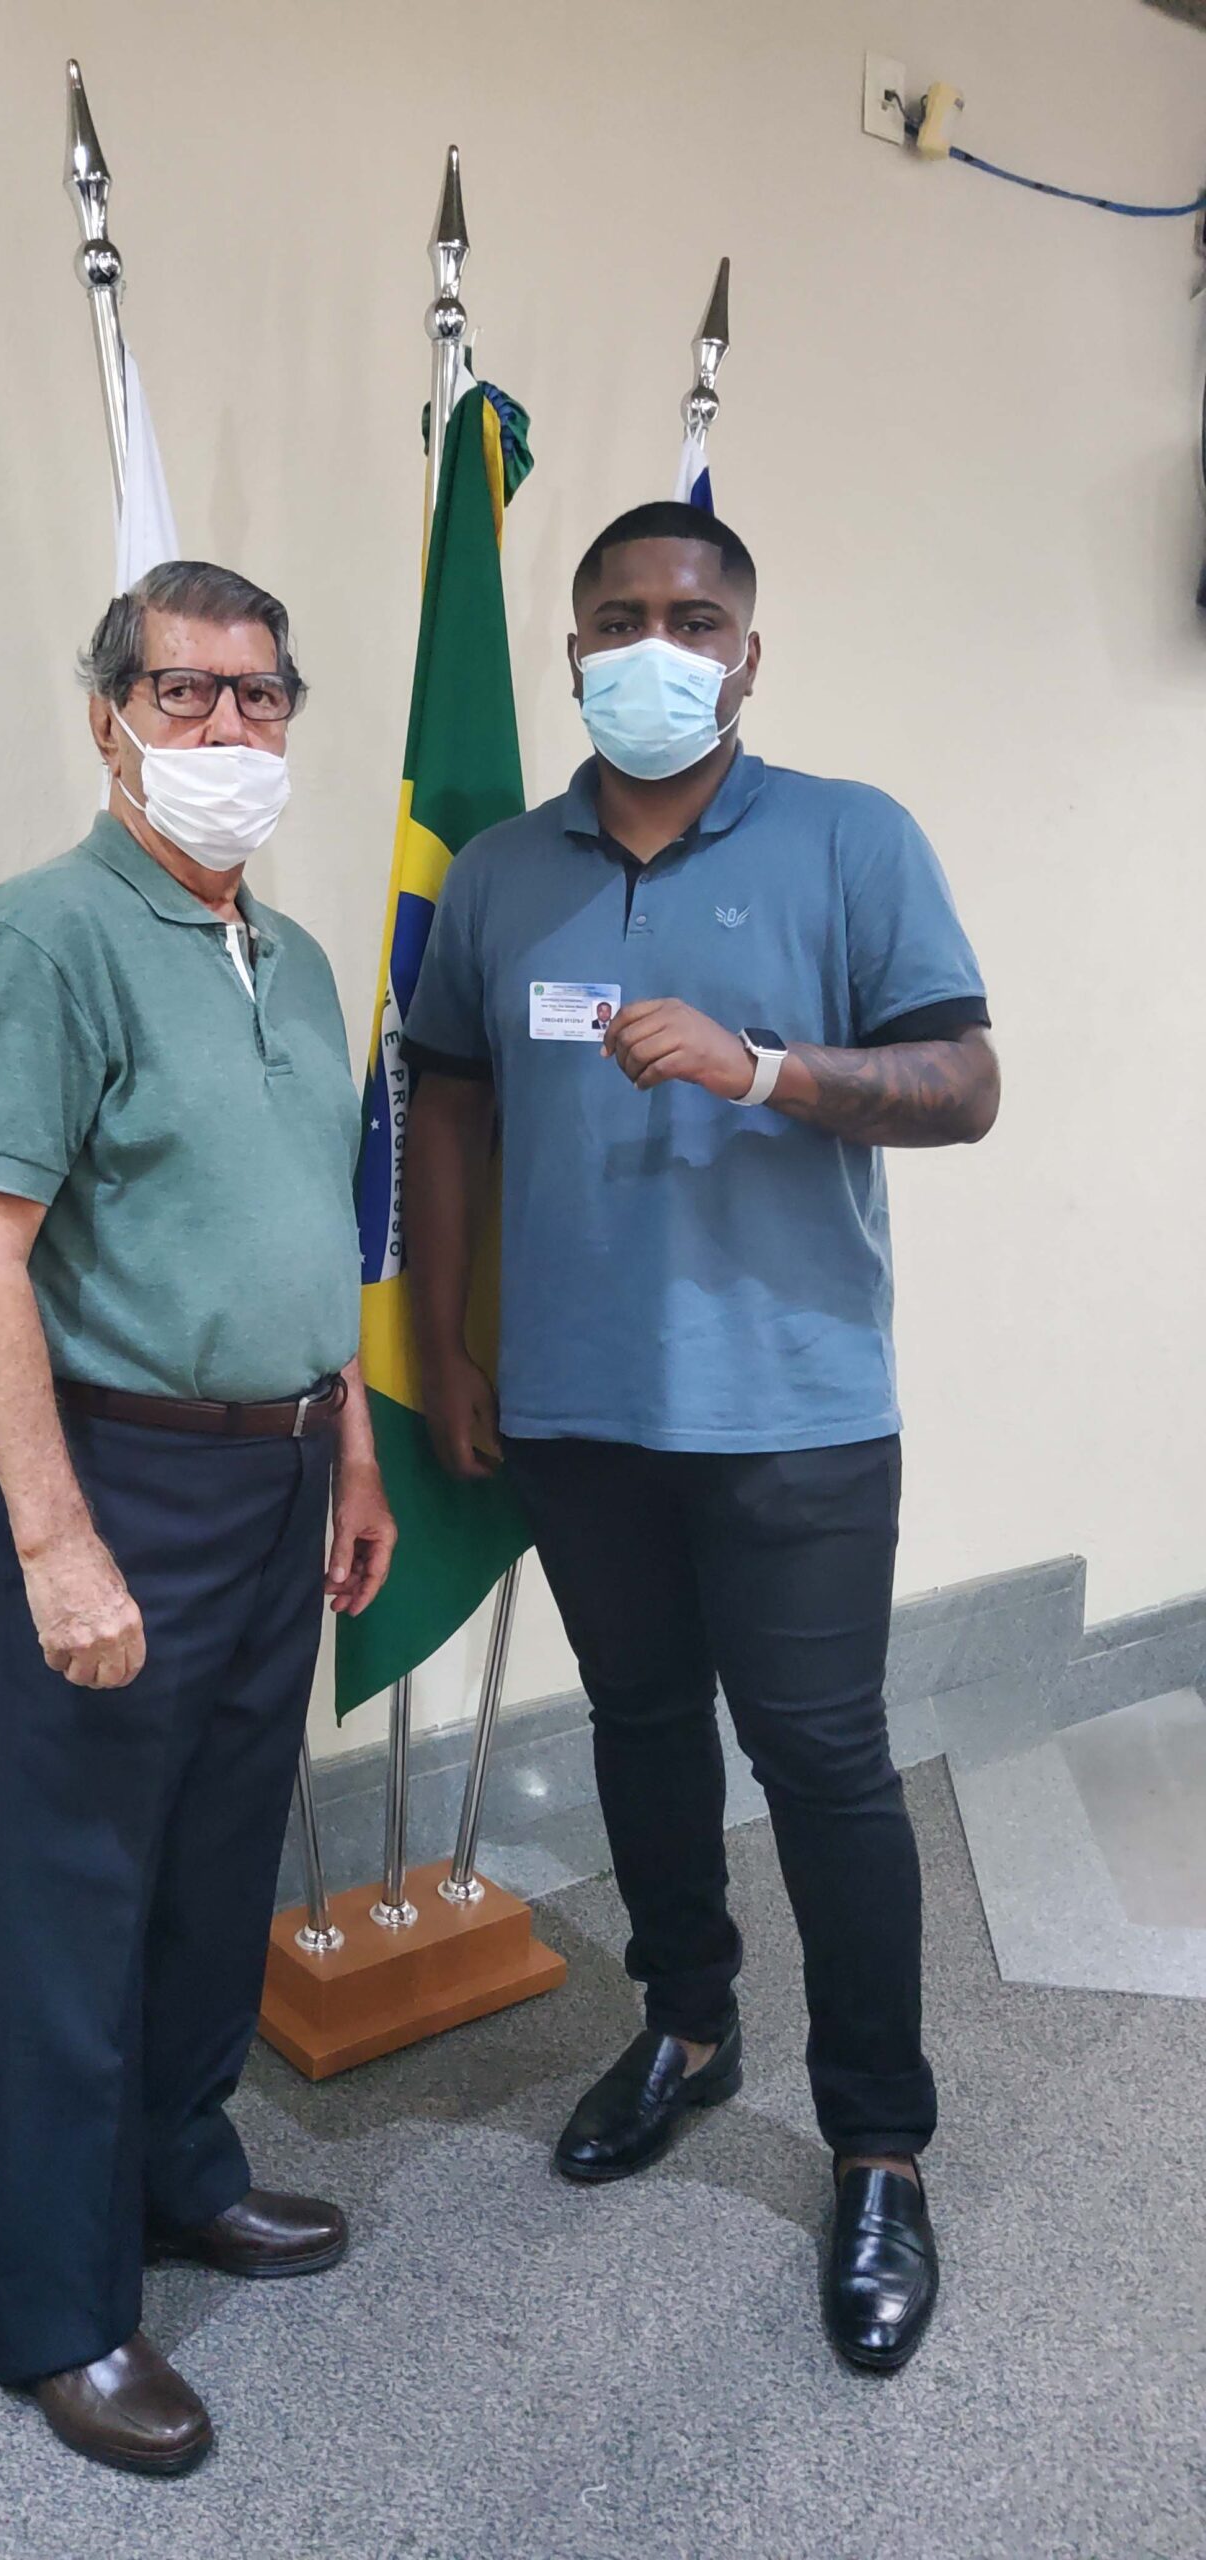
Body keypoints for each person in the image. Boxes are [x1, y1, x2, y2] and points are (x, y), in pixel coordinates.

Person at [401, 500, 998, 2376]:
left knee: (824, 1764)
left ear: (749, 653)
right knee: (645, 1726)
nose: (650, 646)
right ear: (573, 649)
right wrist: (445, 1346)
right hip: (577, 1406)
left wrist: (769, 1069)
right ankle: (684, 2023)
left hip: (794, 1410)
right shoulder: (502, 873)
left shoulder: (850, 836)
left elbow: (966, 1083)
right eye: (615, 618)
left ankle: (879, 2145)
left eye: (690, 617)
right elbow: (446, 1108)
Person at [0, 560, 395, 2474]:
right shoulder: (45, 938)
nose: (226, 727)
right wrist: (55, 1543)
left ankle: (185, 2171)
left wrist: (349, 1446)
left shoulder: (292, 959)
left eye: (259, 696)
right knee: (83, 1891)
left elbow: (299, 1235)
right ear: (109, 719)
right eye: (183, 693)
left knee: (218, 1859)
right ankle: (58, 2308)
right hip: (114, 1476)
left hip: (280, 1469)